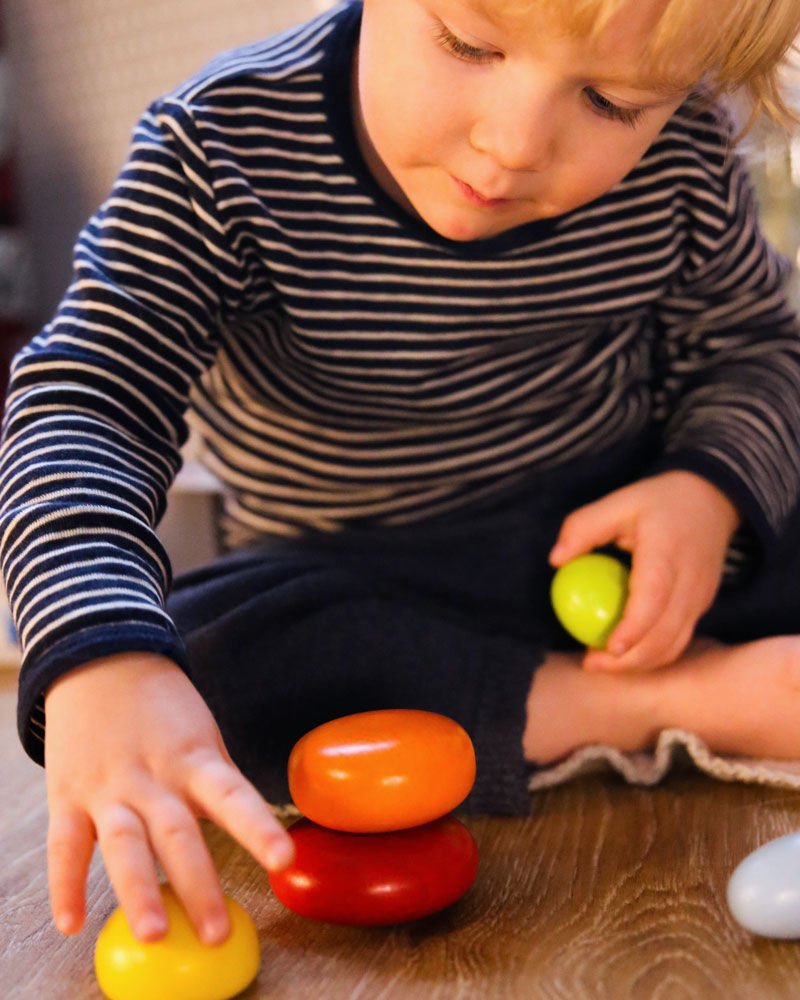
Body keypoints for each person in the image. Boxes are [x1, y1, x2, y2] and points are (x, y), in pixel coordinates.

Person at [2, 0, 800, 950]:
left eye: (612, 102)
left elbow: (751, 349)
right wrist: (103, 657)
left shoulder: (687, 152)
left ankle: (619, 679)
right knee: (201, 655)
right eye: (469, 45)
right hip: (371, 586)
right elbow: (89, 401)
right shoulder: (217, 151)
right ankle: (664, 702)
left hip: (631, 540)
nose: (510, 145)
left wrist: (705, 490)